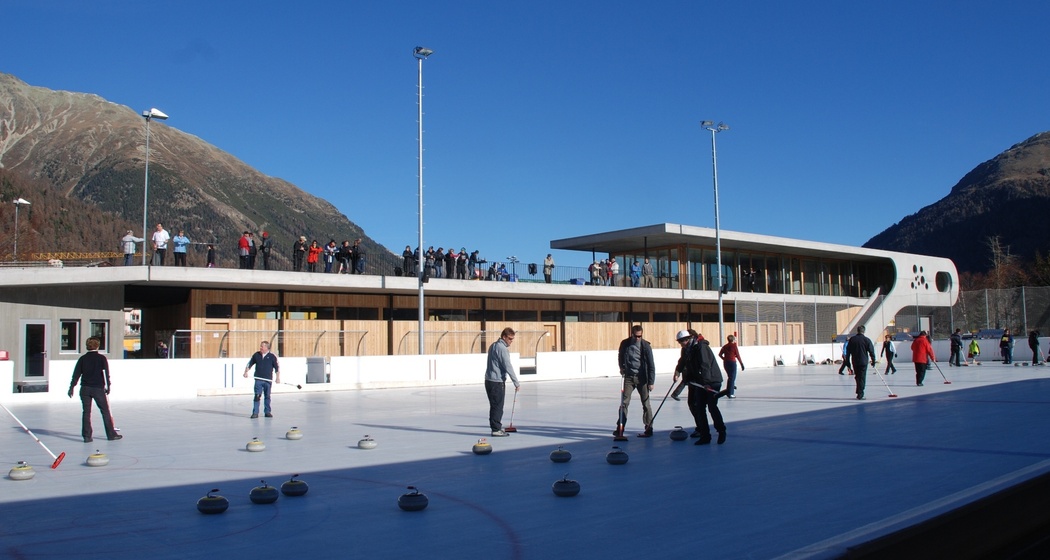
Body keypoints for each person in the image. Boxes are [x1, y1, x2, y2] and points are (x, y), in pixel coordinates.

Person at [675, 329, 726, 445]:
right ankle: (705, 436)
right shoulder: (687, 349)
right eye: (679, 342)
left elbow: (705, 365)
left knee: (712, 407)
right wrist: (678, 372)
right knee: (699, 408)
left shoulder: (701, 347)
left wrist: (706, 383)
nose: (680, 344)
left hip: (712, 381)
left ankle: (721, 430)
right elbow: (683, 362)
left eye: (681, 341)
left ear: (688, 339)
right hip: (701, 382)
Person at [67, 336, 121, 442]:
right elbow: (106, 374)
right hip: (98, 389)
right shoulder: (101, 358)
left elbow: (76, 374)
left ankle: (87, 436)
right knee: (105, 411)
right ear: (97, 346)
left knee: (86, 412)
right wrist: (108, 386)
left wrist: (71, 387)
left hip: (85, 389)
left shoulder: (83, 359)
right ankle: (111, 434)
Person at [615, 325, 657, 438]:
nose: (638, 338)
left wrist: (651, 381)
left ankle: (649, 428)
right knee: (624, 403)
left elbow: (651, 364)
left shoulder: (645, 346)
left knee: (646, 404)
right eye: (636, 336)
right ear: (632, 334)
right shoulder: (625, 343)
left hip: (642, 378)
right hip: (629, 377)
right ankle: (620, 427)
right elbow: (620, 356)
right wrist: (621, 367)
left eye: (640, 336)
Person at [485, 328, 521, 436]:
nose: (511, 341)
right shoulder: (502, 348)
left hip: (489, 380)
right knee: (498, 406)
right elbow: (507, 366)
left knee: (494, 405)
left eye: (512, 339)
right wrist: (516, 382)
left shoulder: (493, 345)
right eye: (510, 339)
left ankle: (495, 427)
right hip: (497, 382)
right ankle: (496, 429)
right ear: (504, 337)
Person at [243, 341, 280, 419]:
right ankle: (255, 413)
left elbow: (277, 367)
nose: (260, 348)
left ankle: (267, 412)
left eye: (262, 346)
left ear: (267, 347)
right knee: (257, 396)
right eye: (260, 346)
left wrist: (277, 377)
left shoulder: (272, 356)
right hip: (258, 379)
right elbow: (249, 364)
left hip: (268, 380)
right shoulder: (256, 355)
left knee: (267, 396)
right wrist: (246, 372)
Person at [845, 325, 877, 400]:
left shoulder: (852, 340)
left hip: (855, 361)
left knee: (857, 376)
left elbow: (848, 351)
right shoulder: (866, 340)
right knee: (862, 377)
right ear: (864, 331)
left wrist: (847, 362)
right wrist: (873, 360)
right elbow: (871, 351)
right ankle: (860, 393)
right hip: (863, 361)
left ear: (857, 331)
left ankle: (859, 391)